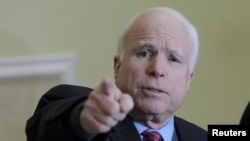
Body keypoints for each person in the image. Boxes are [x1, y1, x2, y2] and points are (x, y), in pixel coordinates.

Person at [25, 6, 207, 141]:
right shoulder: (78, 110)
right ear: (118, 66)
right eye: (144, 53)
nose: (157, 69)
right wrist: (82, 122)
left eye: (173, 59)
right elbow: (48, 130)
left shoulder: (201, 136)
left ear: (188, 79)